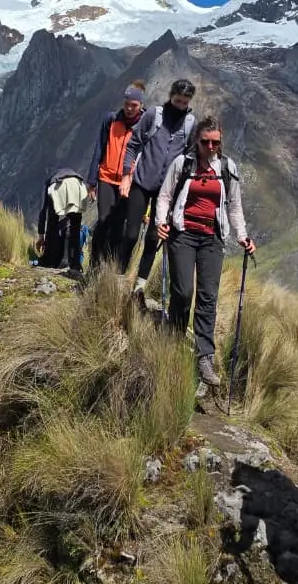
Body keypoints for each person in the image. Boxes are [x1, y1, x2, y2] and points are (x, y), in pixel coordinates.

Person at [154, 115, 255, 388]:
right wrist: (161, 222)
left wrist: (243, 237)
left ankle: (204, 357)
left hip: (213, 239)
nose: (211, 147)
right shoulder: (182, 164)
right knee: (183, 291)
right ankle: (173, 341)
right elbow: (164, 196)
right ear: (197, 141)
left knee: (208, 297)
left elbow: (234, 206)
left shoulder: (226, 167)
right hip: (183, 234)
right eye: (206, 142)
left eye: (216, 142)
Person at [118, 78, 197, 297]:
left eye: (184, 102)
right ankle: (118, 278)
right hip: (142, 183)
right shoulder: (154, 115)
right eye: (177, 100)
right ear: (171, 96)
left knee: (153, 238)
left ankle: (139, 287)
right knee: (132, 234)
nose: (180, 105)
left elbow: (189, 157)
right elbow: (134, 144)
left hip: (167, 192)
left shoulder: (190, 123)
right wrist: (126, 174)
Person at [86, 81, 146, 270]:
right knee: (104, 220)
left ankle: (112, 268)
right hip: (106, 178)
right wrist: (91, 181)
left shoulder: (146, 126)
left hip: (129, 183)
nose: (129, 108)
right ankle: (95, 264)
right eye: (127, 104)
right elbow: (99, 149)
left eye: (134, 105)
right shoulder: (110, 120)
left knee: (119, 225)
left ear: (141, 105)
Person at [36, 168, 88, 273]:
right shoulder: (71, 174)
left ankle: (51, 260)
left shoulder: (48, 181)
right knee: (75, 226)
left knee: (52, 221)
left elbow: (43, 211)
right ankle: (75, 264)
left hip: (59, 186)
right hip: (78, 185)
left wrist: (41, 236)